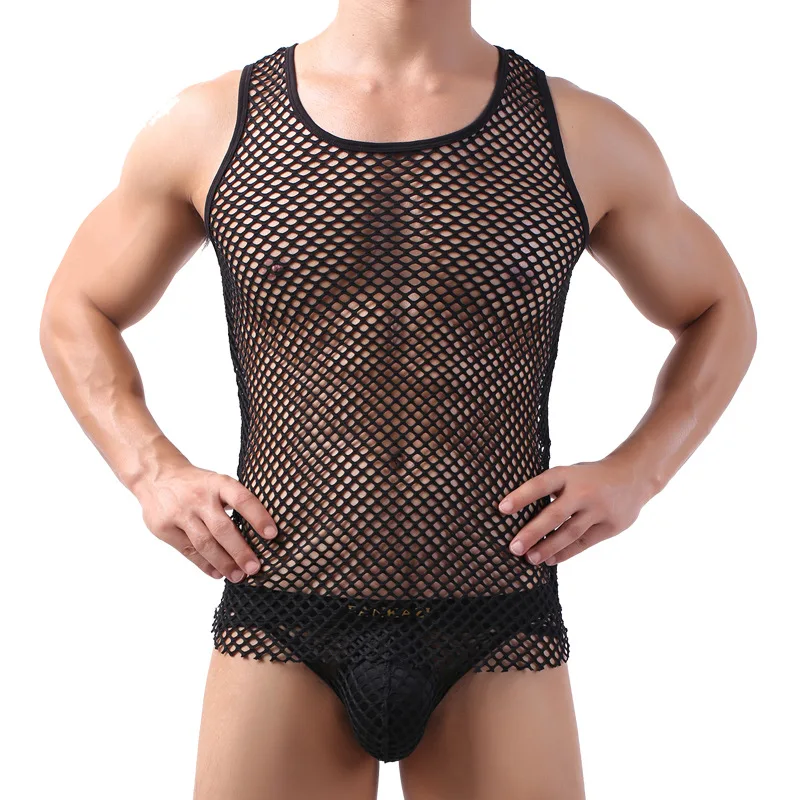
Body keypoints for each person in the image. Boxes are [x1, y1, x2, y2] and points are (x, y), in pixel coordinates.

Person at [39, 2, 757, 799]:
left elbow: (718, 309)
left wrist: (639, 473)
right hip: (285, 606)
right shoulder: (211, 125)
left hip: (496, 614)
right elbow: (77, 306)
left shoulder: (584, 135)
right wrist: (151, 472)